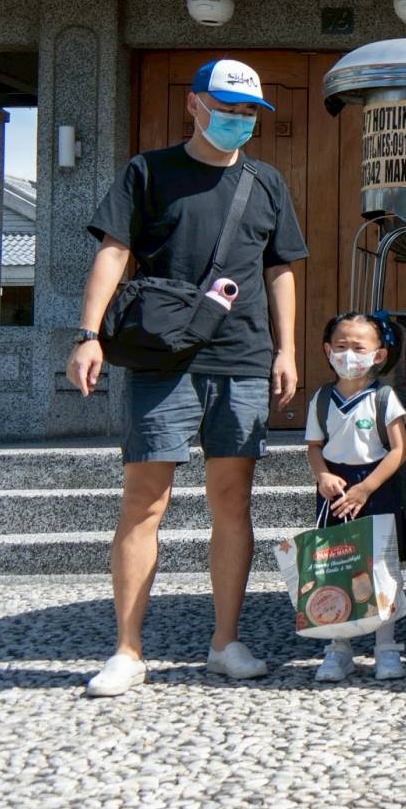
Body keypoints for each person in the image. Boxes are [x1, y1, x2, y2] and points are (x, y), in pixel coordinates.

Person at [70, 57, 309, 698]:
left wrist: (286, 351)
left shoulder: (266, 183)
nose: (239, 121)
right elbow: (113, 251)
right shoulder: (148, 171)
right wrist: (89, 334)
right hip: (161, 358)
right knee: (144, 500)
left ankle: (224, 641)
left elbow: (281, 267)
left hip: (241, 357)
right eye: (228, 108)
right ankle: (127, 650)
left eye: (249, 113)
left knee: (232, 501)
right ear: (195, 105)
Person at [303, 312, 406, 683]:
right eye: (341, 346)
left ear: (378, 355)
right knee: (335, 567)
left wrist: (367, 488)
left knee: (381, 569)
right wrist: (322, 476)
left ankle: (386, 648)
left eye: (359, 347)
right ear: (327, 350)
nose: (349, 354)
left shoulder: (383, 398)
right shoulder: (321, 399)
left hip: (376, 487)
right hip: (334, 488)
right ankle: (338, 648)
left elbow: (398, 450)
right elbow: (315, 446)